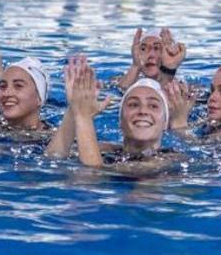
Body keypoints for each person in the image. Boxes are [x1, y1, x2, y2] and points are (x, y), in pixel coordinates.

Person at [47, 56, 181, 174]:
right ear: (120, 120)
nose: (143, 111)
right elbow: (53, 158)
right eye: (133, 104)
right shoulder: (106, 149)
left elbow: (92, 176)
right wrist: (74, 108)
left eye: (153, 106)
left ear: (165, 122)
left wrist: (83, 117)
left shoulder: (170, 159)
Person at [114, 28, 186, 90]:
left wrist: (169, 69)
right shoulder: (119, 80)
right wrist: (135, 66)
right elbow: (121, 93)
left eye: (157, 48)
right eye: (143, 49)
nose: (150, 55)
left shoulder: (183, 89)